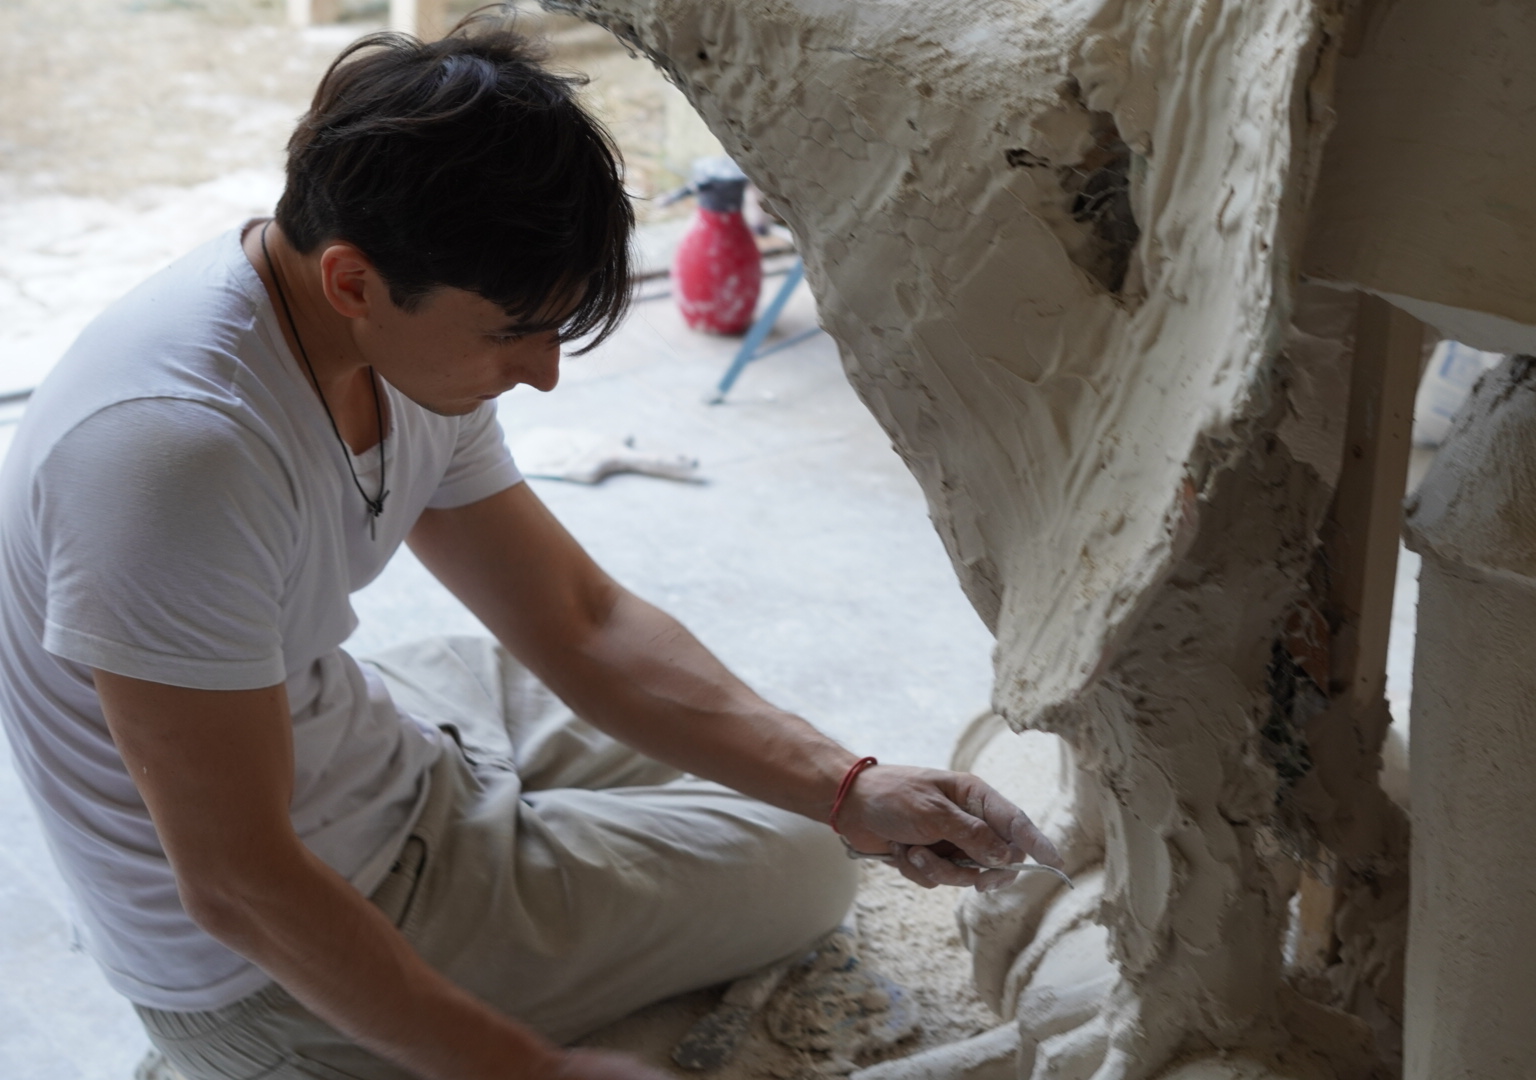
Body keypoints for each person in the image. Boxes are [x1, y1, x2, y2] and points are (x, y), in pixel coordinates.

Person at [0, 12, 1061, 1080]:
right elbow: (237, 883)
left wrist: (847, 784)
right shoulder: (174, 457)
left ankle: (555, 838)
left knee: (801, 802)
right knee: (798, 868)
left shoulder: (384, 323)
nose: (543, 373)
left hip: (349, 720)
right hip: (273, 943)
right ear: (352, 282)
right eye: (515, 332)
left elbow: (577, 619)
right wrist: (527, 1072)